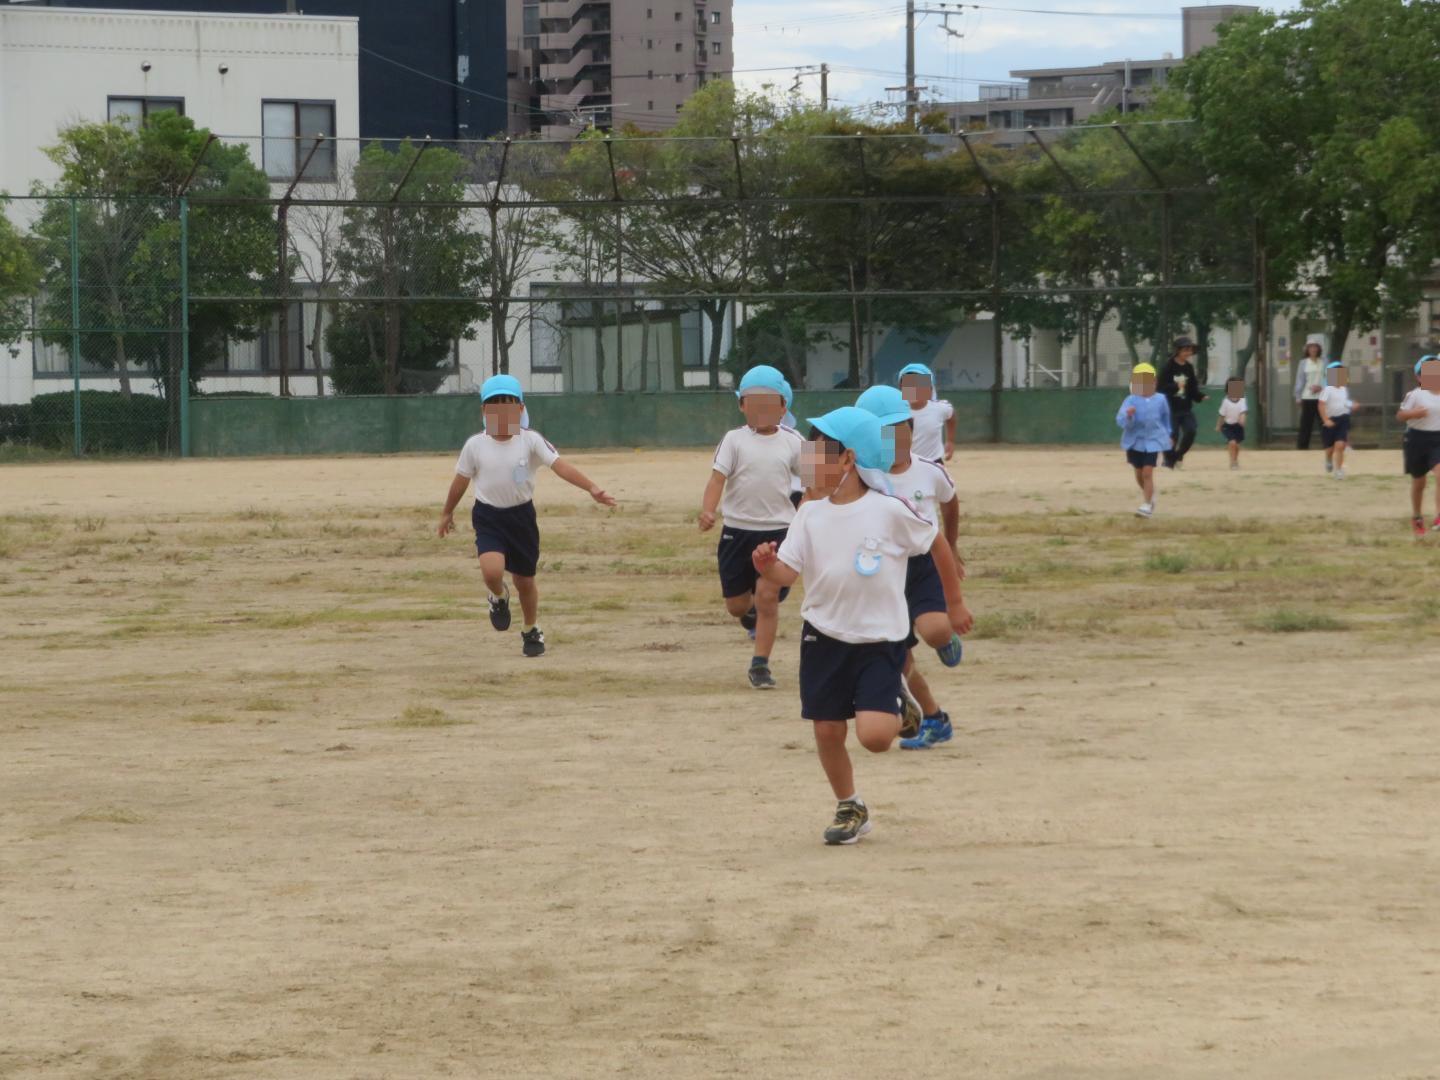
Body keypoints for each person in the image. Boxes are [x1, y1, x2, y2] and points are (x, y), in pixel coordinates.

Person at [752, 407, 972, 845]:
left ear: (848, 459)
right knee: (827, 728)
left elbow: (936, 544)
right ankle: (849, 804)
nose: (806, 461)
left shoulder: (889, 510)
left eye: (816, 453)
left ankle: (897, 696)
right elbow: (787, 574)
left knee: (875, 739)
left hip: (879, 641)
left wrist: (954, 602)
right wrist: (767, 566)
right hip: (822, 637)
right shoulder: (809, 514)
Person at [438, 375, 616, 657]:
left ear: (520, 408)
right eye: (494, 405)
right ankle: (498, 597)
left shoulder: (530, 440)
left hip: (521, 518)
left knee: (525, 582)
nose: (501, 411)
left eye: (508, 405)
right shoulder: (475, 445)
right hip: (488, 517)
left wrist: (591, 488)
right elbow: (460, 482)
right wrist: (447, 512)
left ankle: (531, 629)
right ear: (484, 411)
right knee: (492, 571)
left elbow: (560, 466)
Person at [855, 384, 969, 750]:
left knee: (934, 630)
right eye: (880, 432)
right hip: (882, 572)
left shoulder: (928, 471)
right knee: (900, 659)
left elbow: (950, 504)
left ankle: (944, 639)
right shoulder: (859, 477)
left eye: (898, 429)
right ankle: (934, 718)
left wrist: (952, 546)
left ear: (912, 429)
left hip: (923, 563)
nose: (891, 439)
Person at [698, 365, 804, 690]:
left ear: (784, 406)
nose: (761, 410)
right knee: (737, 606)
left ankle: (760, 665)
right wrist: (708, 510)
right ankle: (748, 615)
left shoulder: (795, 441)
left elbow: (818, 482)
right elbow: (717, 479)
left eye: (770, 402)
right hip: (736, 532)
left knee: (767, 596)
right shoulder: (733, 440)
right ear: (741, 405)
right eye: (753, 402)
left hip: (779, 532)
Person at [1117, 363, 1172, 518]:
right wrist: (1129, 415)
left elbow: (1165, 419)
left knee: (1147, 473)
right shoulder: (1131, 399)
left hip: (1153, 442)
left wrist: (1169, 435)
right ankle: (1151, 496)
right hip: (1135, 442)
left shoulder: (1161, 399)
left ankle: (1147, 505)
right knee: (1139, 474)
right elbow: (1121, 420)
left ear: (1154, 381)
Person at [1397, 355, 1440, 536]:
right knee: (1419, 482)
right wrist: (1414, 413)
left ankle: (1439, 516)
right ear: (1419, 377)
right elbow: (1400, 416)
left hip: (1437, 439)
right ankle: (1417, 516)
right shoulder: (1415, 395)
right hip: (1416, 439)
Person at [1158, 336, 1206, 469]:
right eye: (1185, 350)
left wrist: (1200, 396)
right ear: (1178, 351)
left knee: (1191, 431)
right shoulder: (1168, 366)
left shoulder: (1189, 367)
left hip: (1185, 408)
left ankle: (1178, 456)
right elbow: (1160, 388)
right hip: (1170, 408)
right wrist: (1176, 386)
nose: (1188, 353)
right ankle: (1169, 461)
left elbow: (1192, 387)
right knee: (1172, 435)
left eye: (1190, 350)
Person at [897, 363, 956, 463]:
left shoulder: (940, 408)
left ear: (930, 389)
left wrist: (950, 440)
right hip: (906, 465)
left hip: (934, 463)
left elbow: (951, 415)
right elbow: (890, 454)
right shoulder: (895, 413)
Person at [1317, 361, 1355, 479]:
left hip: (1343, 419)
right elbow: (1321, 405)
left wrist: (1351, 405)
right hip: (1330, 421)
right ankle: (1328, 459)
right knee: (1330, 449)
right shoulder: (1327, 389)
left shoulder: (1344, 389)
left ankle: (1339, 470)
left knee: (1340, 445)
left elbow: (1344, 402)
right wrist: (1325, 420)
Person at [1294, 340, 1327, 450]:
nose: (1313, 349)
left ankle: (1328, 445)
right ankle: (1302, 447)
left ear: (1319, 349)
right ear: (1307, 349)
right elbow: (1300, 380)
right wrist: (1298, 396)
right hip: (1307, 397)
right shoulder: (1303, 363)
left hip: (1322, 397)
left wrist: (1321, 387)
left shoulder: (1325, 361)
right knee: (1305, 424)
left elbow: (1331, 378)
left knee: (1325, 422)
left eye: (1315, 347)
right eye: (1310, 347)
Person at [1216, 377, 1248, 471]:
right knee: (1232, 442)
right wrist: (1218, 426)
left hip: (1238, 426)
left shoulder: (1242, 399)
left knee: (1236, 445)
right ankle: (1232, 462)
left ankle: (1235, 460)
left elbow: (1243, 411)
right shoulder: (1225, 401)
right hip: (1227, 426)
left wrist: (1242, 419)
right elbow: (1222, 415)